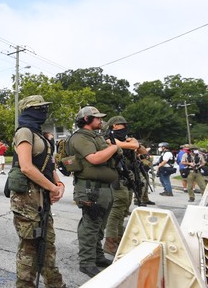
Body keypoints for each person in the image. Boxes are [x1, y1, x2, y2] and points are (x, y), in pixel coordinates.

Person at [8, 96, 65, 287]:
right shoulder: (24, 132)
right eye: (38, 108)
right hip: (27, 198)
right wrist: (52, 187)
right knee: (29, 247)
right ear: (27, 110)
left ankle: (54, 284)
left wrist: (58, 184)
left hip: (42, 196)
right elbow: (26, 167)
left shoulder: (40, 134)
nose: (43, 111)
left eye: (44, 108)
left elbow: (48, 165)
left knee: (47, 244)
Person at [68, 106, 118, 277]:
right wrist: (115, 147)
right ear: (87, 119)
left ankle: (97, 256)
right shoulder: (80, 137)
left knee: (99, 226)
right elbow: (95, 158)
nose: (101, 121)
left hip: (102, 188)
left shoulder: (95, 136)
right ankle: (86, 262)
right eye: (97, 118)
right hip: (90, 189)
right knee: (90, 225)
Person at [102, 116, 146, 255]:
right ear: (114, 126)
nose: (125, 128)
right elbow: (130, 146)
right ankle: (110, 243)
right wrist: (135, 144)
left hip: (128, 180)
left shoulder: (126, 139)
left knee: (123, 212)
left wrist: (137, 145)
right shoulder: (108, 139)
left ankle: (118, 240)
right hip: (117, 180)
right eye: (122, 125)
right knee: (115, 212)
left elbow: (144, 153)